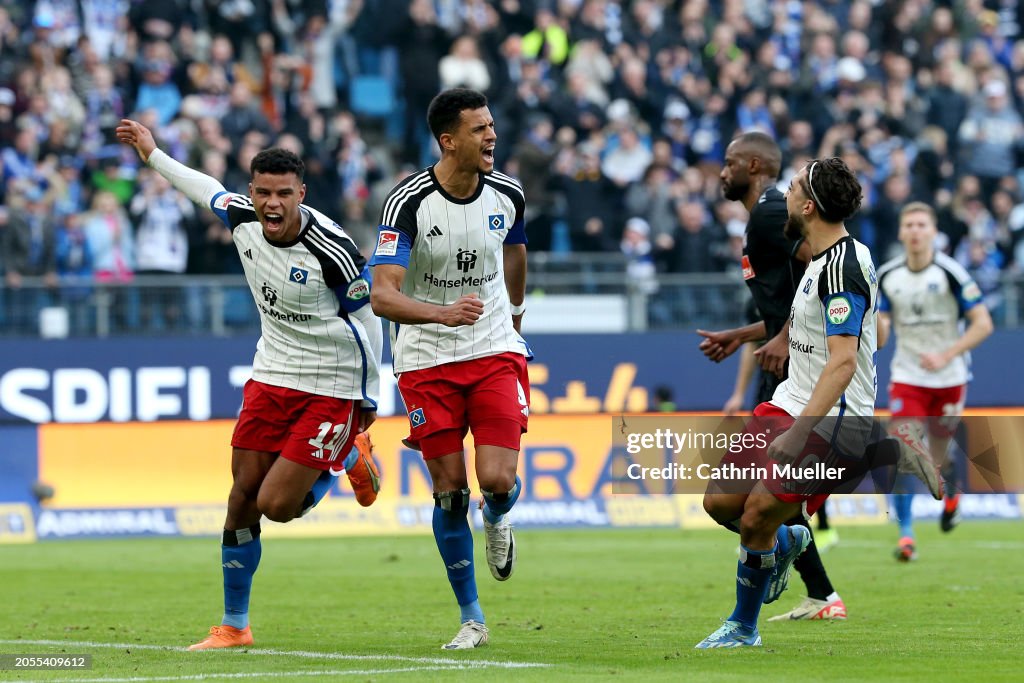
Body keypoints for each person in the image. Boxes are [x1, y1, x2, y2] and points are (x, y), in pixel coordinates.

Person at [115, 118, 383, 650]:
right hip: (272, 374)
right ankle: (235, 626)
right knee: (241, 497)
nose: (272, 203)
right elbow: (204, 189)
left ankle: (349, 454)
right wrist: (153, 155)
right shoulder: (240, 217)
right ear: (253, 192)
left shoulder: (333, 248)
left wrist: (370, 396)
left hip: (332, 383)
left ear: (300, 194)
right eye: (262, 192)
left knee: (277, 505)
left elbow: (369, 319)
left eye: (284, 193)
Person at [369, 88, 530, 650]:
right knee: (449, 491)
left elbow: (515, 251)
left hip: (491, 350)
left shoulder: (508, 193)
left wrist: (514, 314)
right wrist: (443, 315)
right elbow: (382, 297)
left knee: (497, 480)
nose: (491, 136)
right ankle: (472, 618)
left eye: (491, 125)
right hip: (426, 360)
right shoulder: (407, 204)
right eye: (479, 129)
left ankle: (499, 517)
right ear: (448, 140)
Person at [696, 157, 874, 648]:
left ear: (809, 206)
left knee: (755, 515)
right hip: (788, 399)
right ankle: (787, 542)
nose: (783, 194)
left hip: (832, 418)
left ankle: (742, 627)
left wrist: (800, 432)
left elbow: (843, 362)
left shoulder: (844, 266)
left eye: (792, 187)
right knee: (719, 501)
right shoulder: (818, 262)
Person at [877, 202, 993, 561]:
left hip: (949, 377)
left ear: (932, 231)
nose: (914, 230)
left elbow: (983, 323)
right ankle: (907, 535)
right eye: (908, 224)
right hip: (908, 375)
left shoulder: (950, 272)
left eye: (921, 224)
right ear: (900, 232)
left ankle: (951, 498)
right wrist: (877, 324)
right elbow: (881, 336)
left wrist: (947, 354)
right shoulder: (887, 275)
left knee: (941, 458)